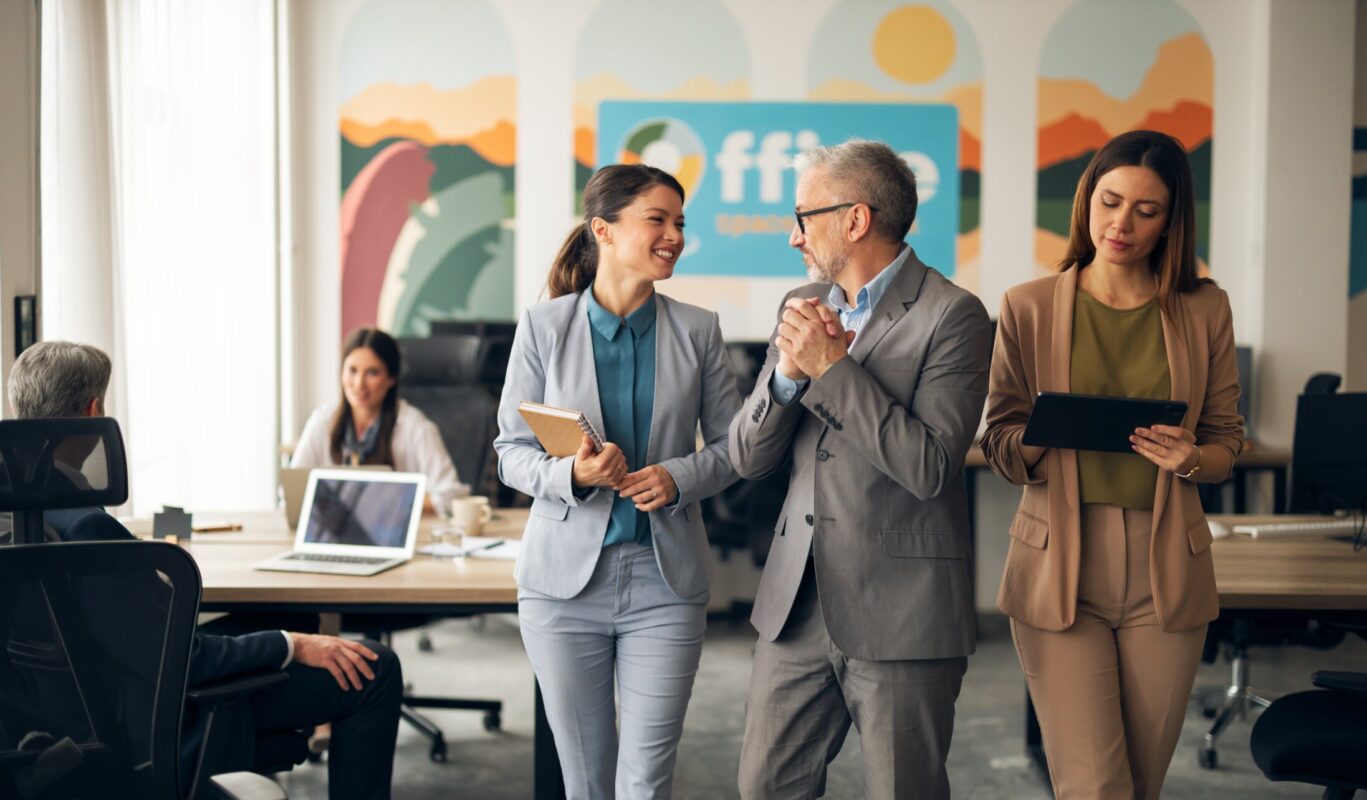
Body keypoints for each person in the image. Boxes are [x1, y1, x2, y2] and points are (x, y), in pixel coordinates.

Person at [4, 340, 405, 800]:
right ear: (94, 412)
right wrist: (290, 646)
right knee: (376, 669)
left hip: (63, 730)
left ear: (18, 407)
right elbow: (185, 661)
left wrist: (291, 639)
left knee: (298, 624)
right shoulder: (86, 530)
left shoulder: (20, 519)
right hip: (158, 723)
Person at [980, 130, 1243, 799]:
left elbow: (1225, 443)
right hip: (1060, 567)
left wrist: (1191, 459)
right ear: (1085, 201)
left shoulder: (1203, 307)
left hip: (1166, 568)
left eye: (1144, 210)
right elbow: (1001, 446)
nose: (1120, 223)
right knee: (1095, 786)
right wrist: (1044, 432)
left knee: (1140, 784)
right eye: (1109, 201)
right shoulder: (1028, 306)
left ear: (1170, 221)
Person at [729, 139, 992, 800]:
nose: (793, 238)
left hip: (901, 611)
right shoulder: (801, 301)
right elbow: (748, 456)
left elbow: (930, 466)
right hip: (796, 604)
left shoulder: (953, 315)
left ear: (854, 219)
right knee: (764, 787)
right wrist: (787, 379)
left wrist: (832, 370)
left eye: (802, 217)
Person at [494, 164, 740, 799]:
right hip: (562, 590)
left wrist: (679, 477)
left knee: (646, 780)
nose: (674, 235)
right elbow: (509, 453)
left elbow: (735, 448)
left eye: (679, 222)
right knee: (585, 781)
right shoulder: (544, 327)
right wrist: (570, 475)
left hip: (666, 582)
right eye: (656, 219)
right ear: (602, 229)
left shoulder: (698, 329)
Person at [292, 327, 467, 514]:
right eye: (352, 370)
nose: (359, 384)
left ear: (391, 378)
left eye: (372, 373)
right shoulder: (323, 421)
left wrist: (396, 503)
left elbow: (451, 495)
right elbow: (292, 491)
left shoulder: (415, 427)